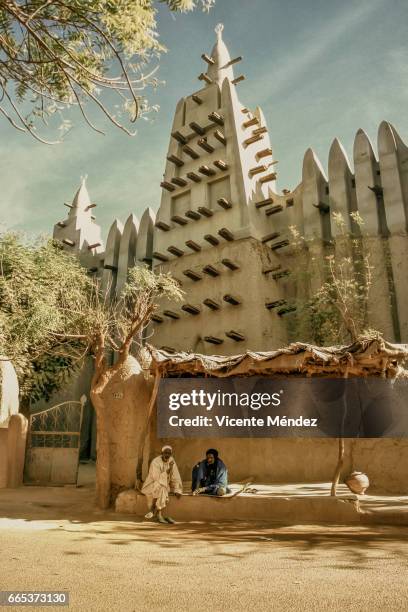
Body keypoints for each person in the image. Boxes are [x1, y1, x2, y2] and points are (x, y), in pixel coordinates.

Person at [141, 445, 182, 524]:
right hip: (151, 485)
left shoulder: (171, 460)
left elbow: (175, 476)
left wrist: (177, 489)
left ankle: (156, 513)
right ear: (162, 453)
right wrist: (169, 469)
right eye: (165, 453)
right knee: (162, 488)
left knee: (163, 487)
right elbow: (157, 478)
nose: (167, 455)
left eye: (169, 453)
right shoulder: (155, 462)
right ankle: (159, 515)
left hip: (163, 484)